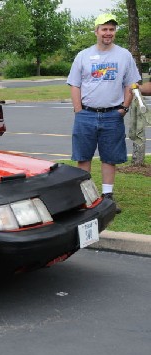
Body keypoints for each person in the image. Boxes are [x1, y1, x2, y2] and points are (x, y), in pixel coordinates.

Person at [67, 13, 141, 214]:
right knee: (83, 157)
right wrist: (78, 110)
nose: (108, 33)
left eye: (112, 29)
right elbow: (75, 84)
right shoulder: (83, 56)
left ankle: (108, 197)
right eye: (104, 29)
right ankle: (85, 197)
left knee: (110, 157)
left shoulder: (124, 55)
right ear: (96, 31)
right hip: (87, 114)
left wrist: (124, 108)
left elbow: (131, 84)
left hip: (112, 115)